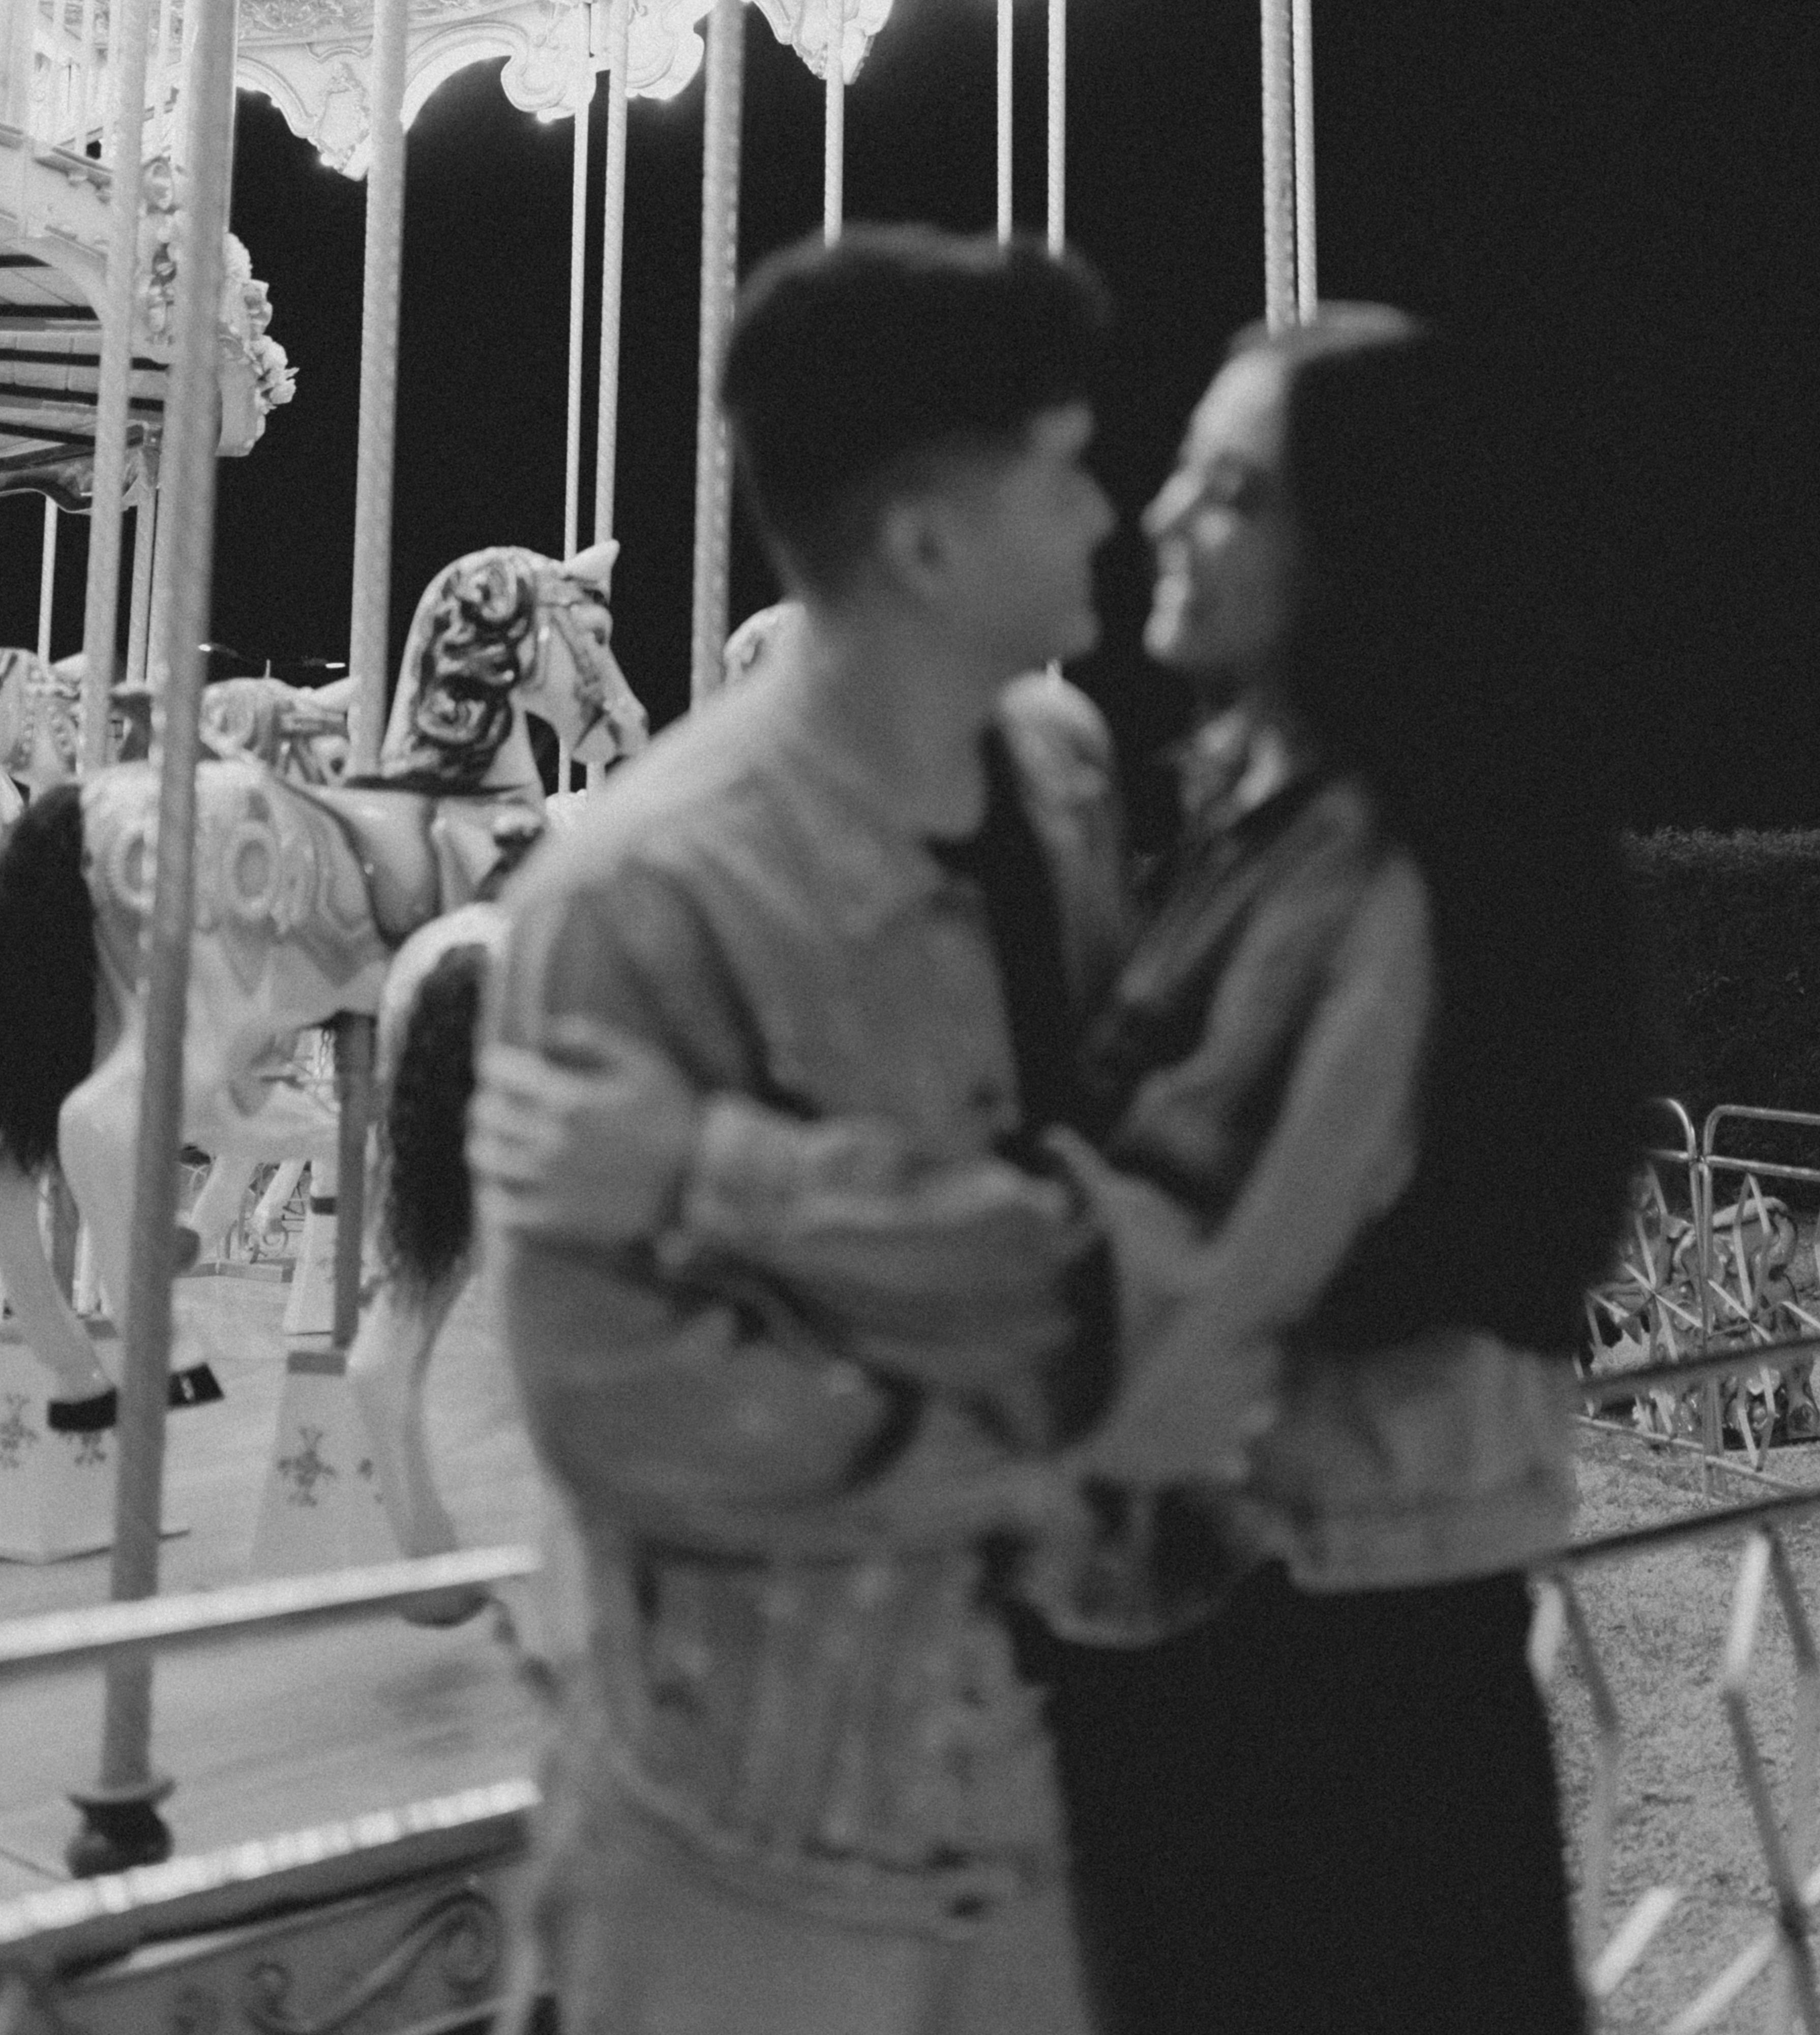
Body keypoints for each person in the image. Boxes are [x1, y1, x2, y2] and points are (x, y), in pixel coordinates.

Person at [480, 302, 1647, 2033]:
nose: (1149, 513)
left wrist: (705, 1169)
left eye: (1231, 491)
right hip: (1248, 1646)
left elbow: (1160, 1267)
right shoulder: (1243, 815)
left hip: (1315, 1673)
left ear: (1366, 554)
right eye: (1146, 473)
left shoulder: (1376, 878)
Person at [483, 226, 1152, 2035]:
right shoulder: (632, 897)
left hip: (1031, 1788)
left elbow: (1125, 1223)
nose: (1108, 518)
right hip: (753, 1832)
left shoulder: (1062, 790)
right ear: (931, 542)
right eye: (1067, 473)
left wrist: (760, 1205)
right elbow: (626, 1404)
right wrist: (1038, 1451)